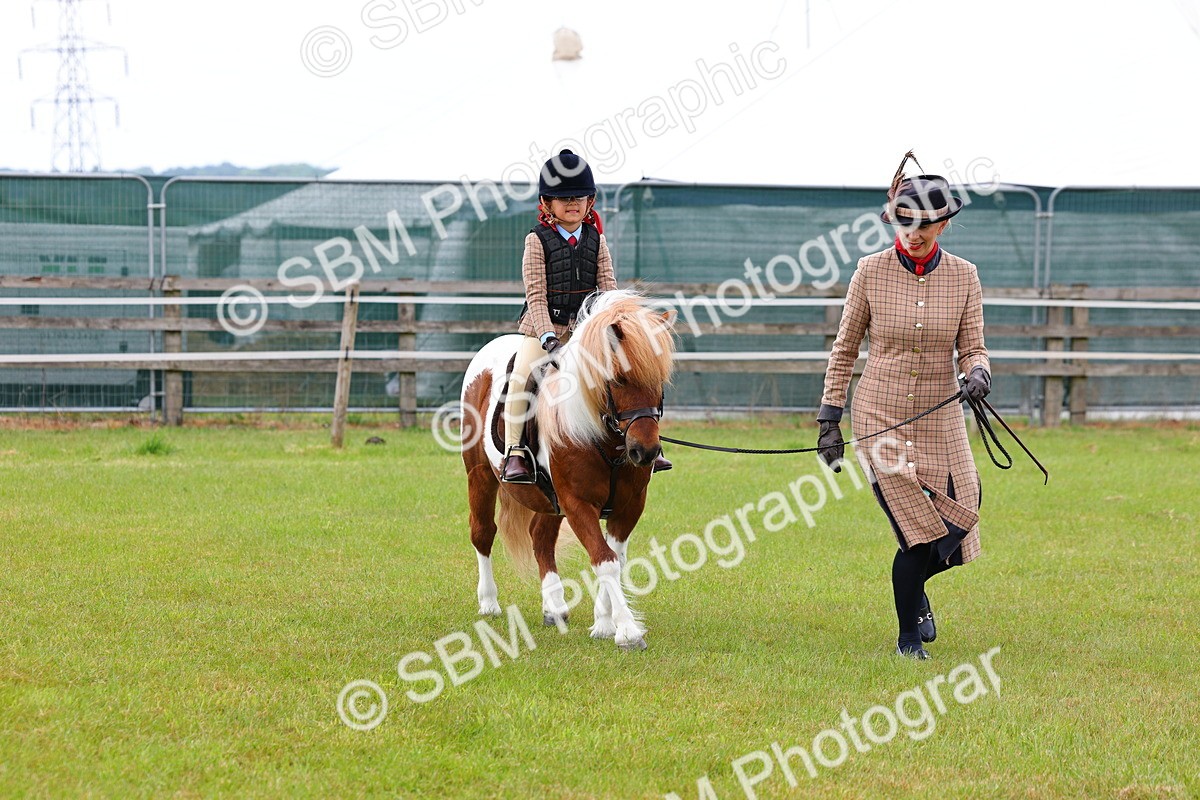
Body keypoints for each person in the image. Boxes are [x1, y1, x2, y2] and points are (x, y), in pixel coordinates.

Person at [817, 151, 992, 659]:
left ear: (944, 222)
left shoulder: (965, 277)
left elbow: (973, 346)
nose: (914, 233)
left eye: (925, 224)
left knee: (964, 517)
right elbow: (845, 349)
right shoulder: (869, 272)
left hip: (941, 413)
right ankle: (907, 638)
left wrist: (977, 371)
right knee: (917, 530)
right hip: (880, 415)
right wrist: (829, 419)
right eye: (905, 221)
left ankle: (915, 593)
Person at [500, 149, 672, 483]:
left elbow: (608, 290)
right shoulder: (536, 241)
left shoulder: (597, 239)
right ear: (547, 203)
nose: (572, 204)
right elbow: (535, 295)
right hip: (544, 329)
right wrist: (548, 336)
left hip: (589, 334)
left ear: (589, 201)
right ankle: (515, 452)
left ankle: (647, 442)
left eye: (579, 197)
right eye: (563, 199)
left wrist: (615, 328)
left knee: (633, 373)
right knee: (521, 377)